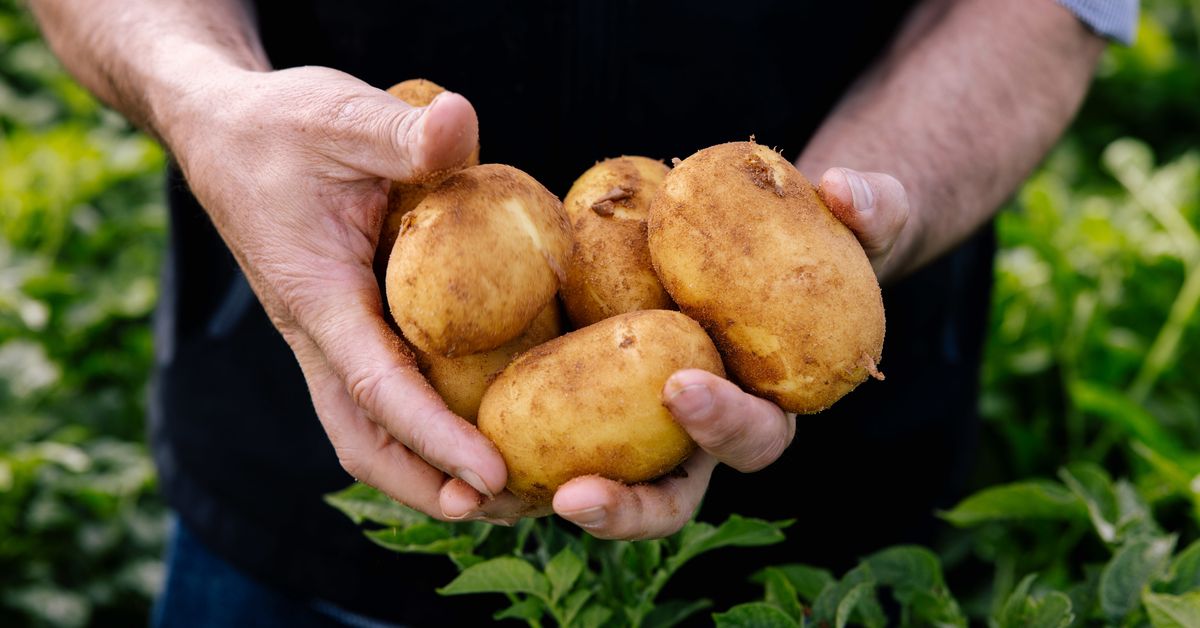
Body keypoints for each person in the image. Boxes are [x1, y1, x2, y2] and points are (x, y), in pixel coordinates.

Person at [30, 0, 1133, 625]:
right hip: (290, 475)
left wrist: (882, 195)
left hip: (825, 544)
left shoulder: (700, 242)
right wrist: (206, 95)